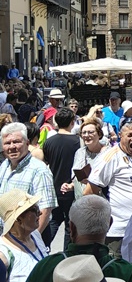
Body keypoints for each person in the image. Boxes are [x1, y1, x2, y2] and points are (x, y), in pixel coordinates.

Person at [84, 117, 132, 254]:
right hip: (120, 230)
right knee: (118, 270)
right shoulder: (109, 157)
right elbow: (89, 193)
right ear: (121, 136)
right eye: (130, 135)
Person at [0, 122, 56, 242]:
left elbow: (45, 210)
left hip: (26, 240)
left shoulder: (39, 170)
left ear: (27, 143)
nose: (12, 146)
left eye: (16, 142)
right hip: (5, 238)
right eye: (7, 143)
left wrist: (30, 241)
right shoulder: (4, 166)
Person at [42, 107, 81, 249]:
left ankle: (43, 248)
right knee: (70, 225)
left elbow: (46, 162)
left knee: (53, 221)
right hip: (71, 188)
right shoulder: (78, 142)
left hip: (54, 187)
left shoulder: (49, 142)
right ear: (72, 122)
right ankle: (66, 254)